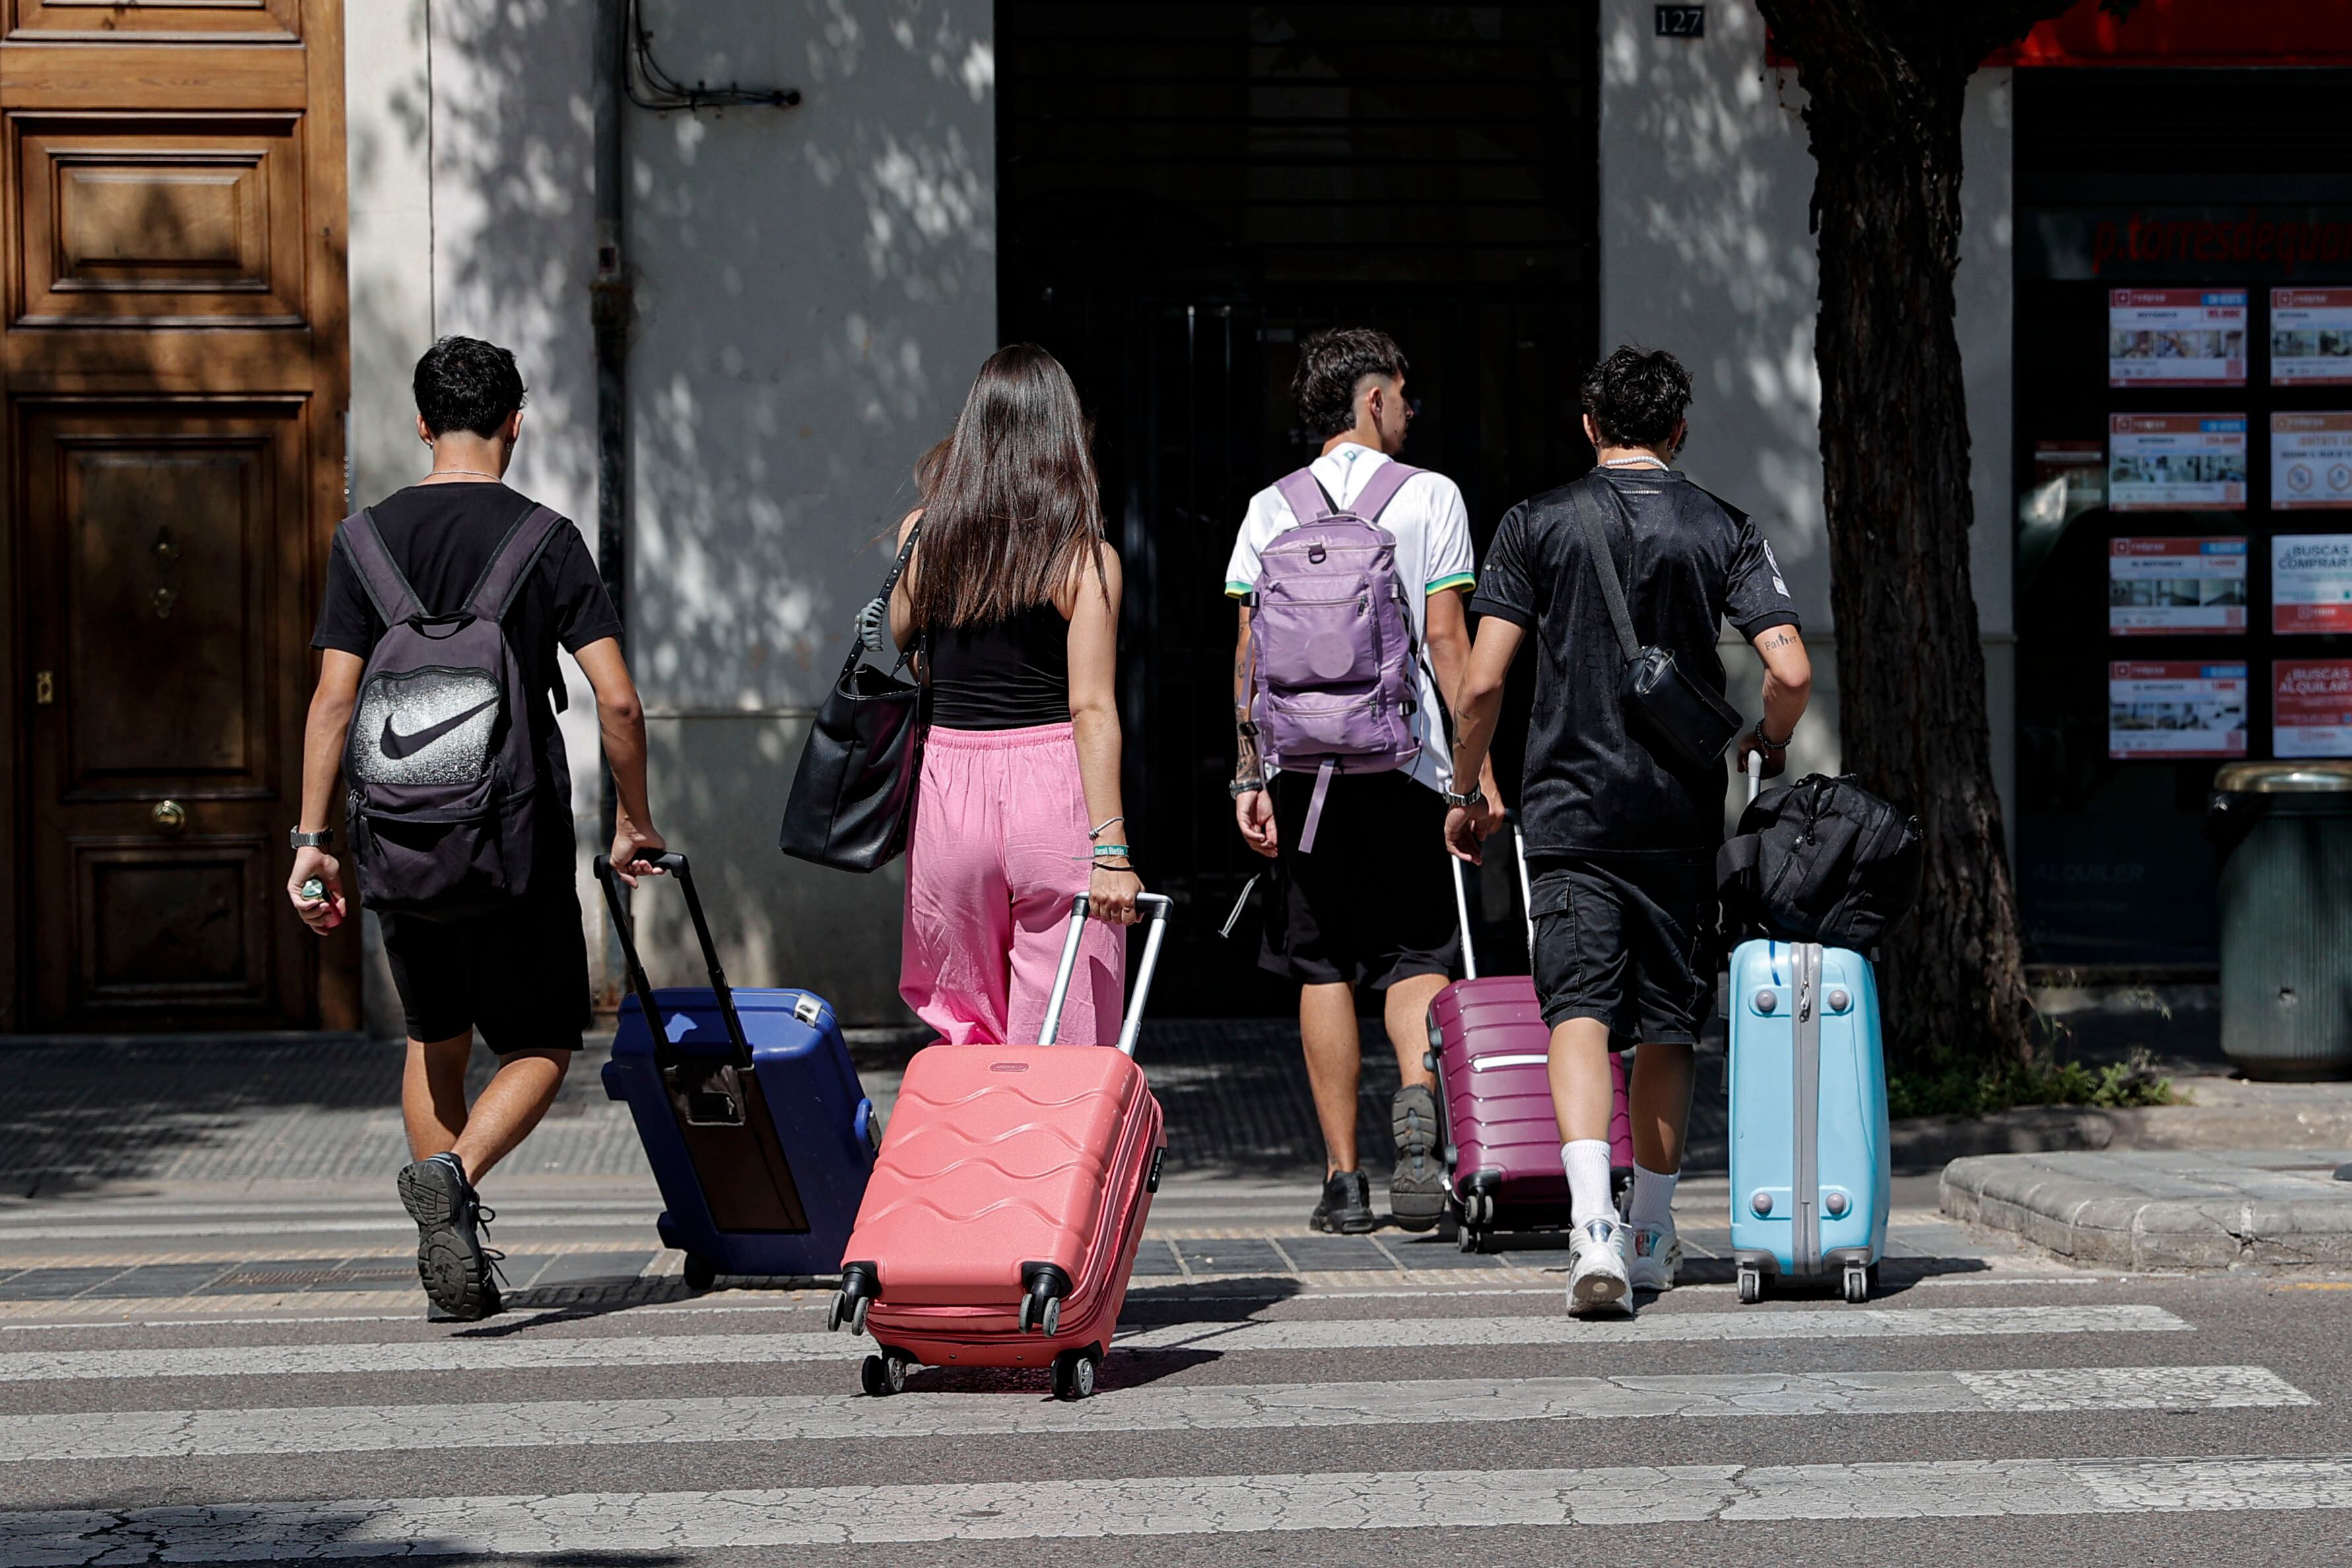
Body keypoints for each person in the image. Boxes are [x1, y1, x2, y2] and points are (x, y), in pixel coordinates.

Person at [288, 336, 663, 1322]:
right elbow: (617, 704)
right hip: (517, 838)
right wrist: (635, 821)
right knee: (541, 1041)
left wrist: (309, 840)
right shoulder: (546, 538)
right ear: (515, 421)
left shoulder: (361, 541)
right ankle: (454, 1177)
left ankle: (447, 1243)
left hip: (398, 842)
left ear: (420, 422)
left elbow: (333, 702)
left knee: (433, 1036)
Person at [1443, 345, 1811, 1315]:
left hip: (1568, 810)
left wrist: (1466, 783)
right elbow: (1790, 670)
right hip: (1677, 815)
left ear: (1588, 426)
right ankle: (1649, 1230)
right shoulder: (1723, 528)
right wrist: (1765, 746)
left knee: (1575, 1012)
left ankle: (1588, 1231)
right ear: (1678, 429)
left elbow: (1481, 680)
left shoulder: (1533, 523)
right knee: (1666, 1024)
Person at [1227, 327, 1498, 1235]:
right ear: (1369, 399)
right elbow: (1449, 645)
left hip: (1302, 769)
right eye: (1401, 394)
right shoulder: (1431, 499)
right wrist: (1474, 776)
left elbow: (1249, 654)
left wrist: (1246, 775)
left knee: (1319, 964)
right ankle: (1416, 1119)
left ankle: (1342, 1180)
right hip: (1406, 761)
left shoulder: (1268, 507)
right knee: (1415, 956)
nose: (1410, 411)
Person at [889, 344, 1143, 1045]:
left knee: (962, 1022)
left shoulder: (922, 536)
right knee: (1067, 1028)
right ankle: (1052, 1155)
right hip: (1051, 787)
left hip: (950, 787)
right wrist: (1112, 851)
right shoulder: (1082, 558)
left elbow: (905, 641)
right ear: (1063, 436)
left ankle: (975, 1152)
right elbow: (1091, 707)